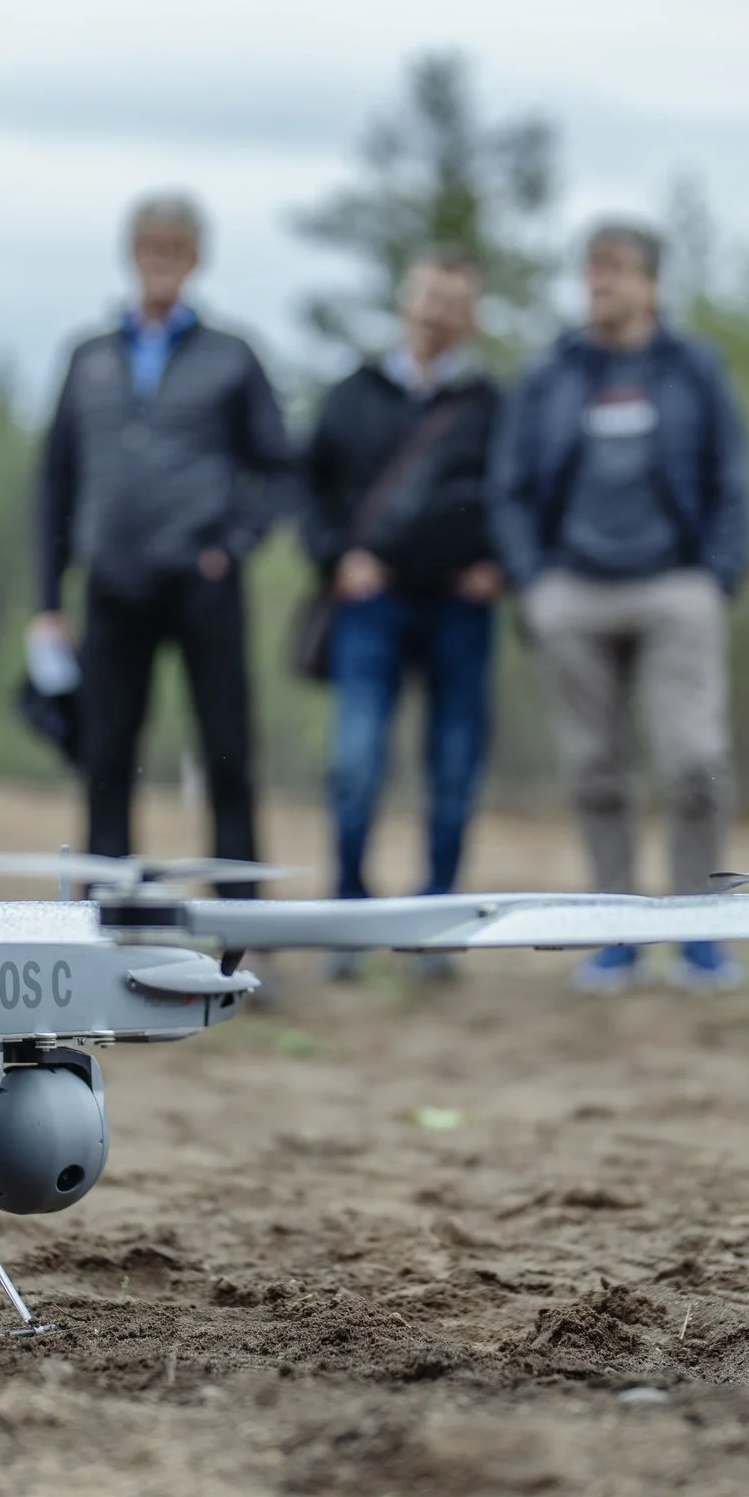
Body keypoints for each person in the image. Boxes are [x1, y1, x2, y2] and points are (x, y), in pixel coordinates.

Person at [491, 220, 749, 993]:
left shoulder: (694, 368)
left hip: (675, 585)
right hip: (573, 589)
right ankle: (615, 932)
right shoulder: (552, 373)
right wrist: (534, 584)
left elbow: (733, 476)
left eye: (614, 272)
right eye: (591, 272)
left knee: (694, 760)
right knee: (594, 768)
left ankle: (699, 930)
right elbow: (511, 485)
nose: (599, 284)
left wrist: (716, 575)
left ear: (652, 284)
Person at [31, 194, 295, 889]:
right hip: (112, 585)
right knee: (106, 753)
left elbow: (278, 469)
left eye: (174, 251)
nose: (161, 264)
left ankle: (241, 911)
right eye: (151, 249)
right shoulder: (87, 357)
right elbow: (55, 481)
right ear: (132, 256)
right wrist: (47, 598)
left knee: (228, 750)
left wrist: (231, 545)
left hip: (202, 582)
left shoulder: (232, 356)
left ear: (195, 260)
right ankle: (105, 909)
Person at [301, 251, 506, 978]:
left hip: (460, 607)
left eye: (452, 302)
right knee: (355, 762)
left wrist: (499, 565)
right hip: (372, 603)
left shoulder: (490, 404)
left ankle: (437, 924)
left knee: (454, 769)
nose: (435, 313)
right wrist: (336, 558)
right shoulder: (352, 395)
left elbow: (518, 492)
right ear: (404, 301)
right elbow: (309, 488)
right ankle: (350, 916)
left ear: (471, 316)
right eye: (426, 297)